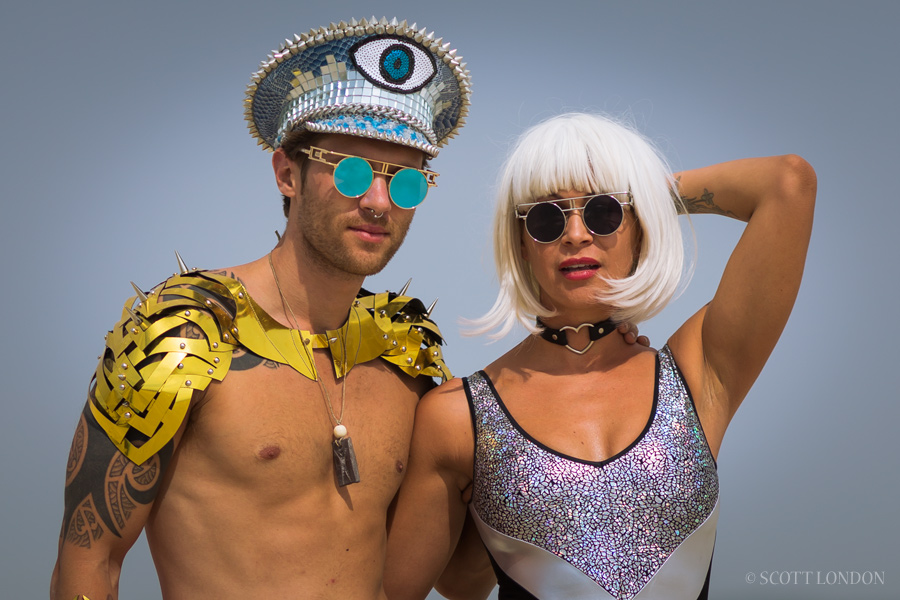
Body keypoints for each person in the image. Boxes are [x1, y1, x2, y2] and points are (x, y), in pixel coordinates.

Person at [49, 17, 473, 600]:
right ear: (286, 173)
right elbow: (87, 565)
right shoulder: (185, 332)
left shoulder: (407, 350)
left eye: (406, 183)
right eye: (350, 172)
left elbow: (460, 575)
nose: (378, 201)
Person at [383, 112, 816, 599]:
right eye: (546, 218)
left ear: (641, 226)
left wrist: (645, 195)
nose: (575, 234)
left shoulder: (699, 375)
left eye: (603, 212)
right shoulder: (456, 416)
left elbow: (787, 182)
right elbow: (439, 588)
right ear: (522, 244)